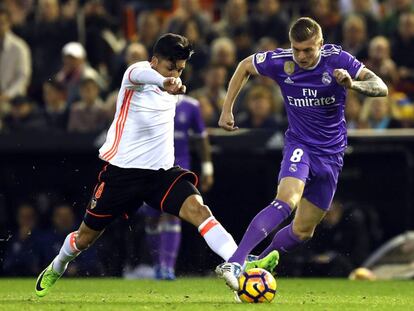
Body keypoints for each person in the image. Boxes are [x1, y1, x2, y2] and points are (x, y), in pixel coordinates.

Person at [35, 33, 275, 297]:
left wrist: (172, 81)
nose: (176, 74)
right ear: (154, 61)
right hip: (122, 174)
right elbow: (144, 75)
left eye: (180, 69)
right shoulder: (135, 76)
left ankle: (238, 261)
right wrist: (165, 80)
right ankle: (58, 265)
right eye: (170, 67)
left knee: (199, 210)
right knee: (84, 238)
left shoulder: (175, 89)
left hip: (161, 175)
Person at [215, 17, 388, 290]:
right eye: (297, 49)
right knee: (286, 200)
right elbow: (244, 65)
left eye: (308, 49)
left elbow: (381, 87)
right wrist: (227, 109)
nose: (301, 56)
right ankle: (234, 262)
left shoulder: (338, 60)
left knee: (303, 231)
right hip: (300, 146)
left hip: (331, 155)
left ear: (321, 43)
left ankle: (254, 265)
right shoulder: (281, 62)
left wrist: (352, 85)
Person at [139, 95, 214, 280]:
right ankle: (157, 264)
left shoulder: (191, 105)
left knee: (172, 214)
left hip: (179, 168)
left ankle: (167, 267)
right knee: (151, 218)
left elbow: (201, 138)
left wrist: (207, 168)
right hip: (151, 166)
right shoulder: (148, 101)